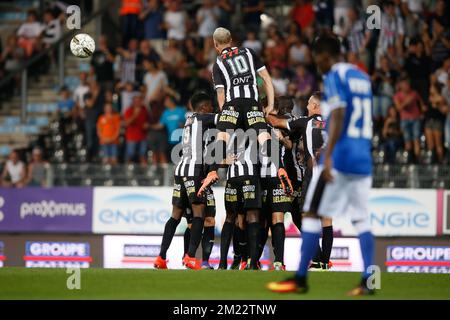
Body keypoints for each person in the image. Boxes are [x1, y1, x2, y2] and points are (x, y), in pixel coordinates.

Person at [267, 34, 375, 296]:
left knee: (312, 214)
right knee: (361, 219)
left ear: (326, 55)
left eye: (318, 59)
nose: (318, 64)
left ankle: (301, 278)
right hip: (362, 157)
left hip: (340, 155)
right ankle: (368, 280)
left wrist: (328, 155)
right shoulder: (363, 77)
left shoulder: (335, 76)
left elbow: (336, 114)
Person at [198, 27, 290, 270]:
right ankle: (278, 168)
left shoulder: (218, 63)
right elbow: (267, 80)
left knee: (224, 136)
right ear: (232, 40)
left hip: (231, 104)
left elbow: (220, 95)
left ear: (217, 45)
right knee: (261, 136)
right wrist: (268, 105)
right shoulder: (249, 52)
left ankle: (215, 170)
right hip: (251, 102)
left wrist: (224, 114)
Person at [267, 92, 334, 271]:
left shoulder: (305, 122)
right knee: (327, 219)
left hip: (313, 175)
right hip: (333, 175)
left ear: (317, 106)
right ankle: (324, 262)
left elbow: (276, 122)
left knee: (305, 216)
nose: (307, 106)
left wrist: (263, 111)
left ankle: (316, 259)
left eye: (310, 103)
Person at [154, 92, 217, 270]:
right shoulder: (203, 118)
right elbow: (227, 118)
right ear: (205, 108)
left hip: (180, 170)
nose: (213, 110)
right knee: (199, 213)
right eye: (211, 108)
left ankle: (161, 257)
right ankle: (189, 257)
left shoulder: (190, 120)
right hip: (193, 171)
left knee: (175, 215)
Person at [393, 77, 424, 162]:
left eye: (407, 84)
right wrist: (406, 102)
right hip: (404, 120)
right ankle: (409, 160)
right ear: (401, 86)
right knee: (407, 141)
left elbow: (422, 104)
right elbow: (398, 108)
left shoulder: (414, 93)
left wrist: (422, 112)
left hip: (415, 119)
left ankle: (417, 161)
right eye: (404, 84)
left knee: (416, 139)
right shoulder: (397, 96)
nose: (407, 86)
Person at [124, 95, 149, 164]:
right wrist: (135, 115)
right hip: (131, 137)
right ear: (133, 102)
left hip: (143, 136)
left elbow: (147, 120)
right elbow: (126, 123)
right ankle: (129, 171)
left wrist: (147, 125)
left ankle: (144, 172)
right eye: (136, 101)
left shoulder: (144, 109)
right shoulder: (129, 110)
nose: (138, 102)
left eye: (139, 101)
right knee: (130, 155)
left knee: (143, 155)